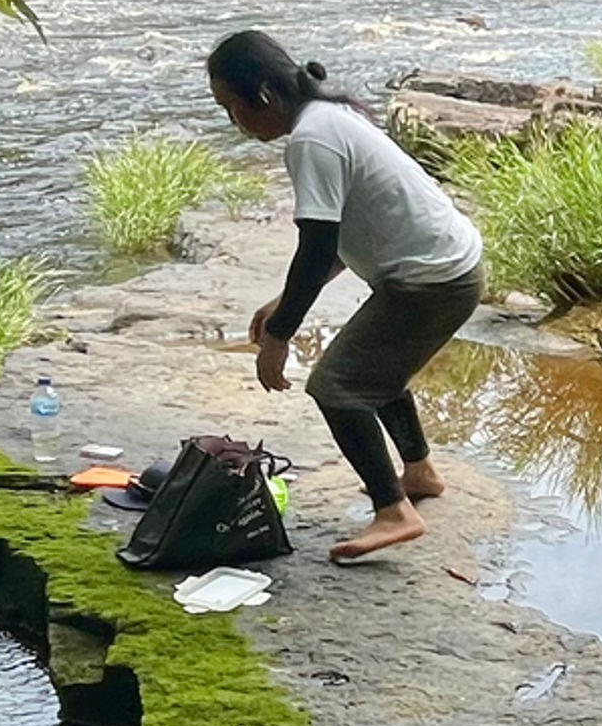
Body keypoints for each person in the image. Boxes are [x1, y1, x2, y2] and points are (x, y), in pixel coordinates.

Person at [204, 29, 487, 563]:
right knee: (375, 370)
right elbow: (341, 237)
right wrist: (280, 302)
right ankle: (420, 472)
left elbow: (316, 246)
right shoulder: (331, 116)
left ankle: (394, 511)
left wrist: (279, 336)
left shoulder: (312, 138)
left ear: (262, 95)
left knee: (336, 385)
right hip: (447, 268)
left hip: (433, 280)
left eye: (231, 107)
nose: (232, 122)